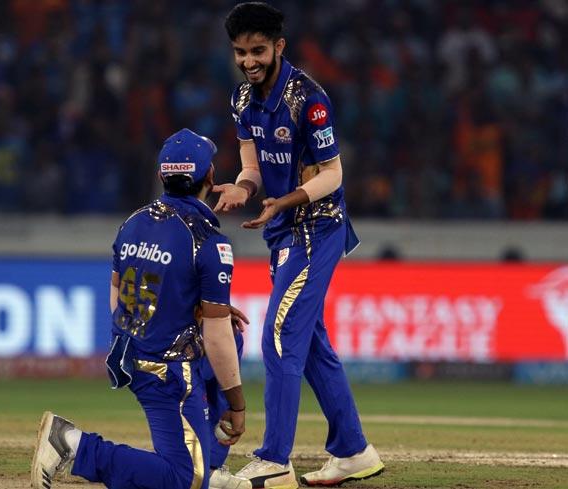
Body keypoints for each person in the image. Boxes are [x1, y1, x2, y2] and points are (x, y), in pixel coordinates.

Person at [213, 3, 384, 488]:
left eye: (258, 51)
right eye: (241, 52)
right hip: (283, 230)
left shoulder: (307, 99)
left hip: (317, 228)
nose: (249, 60)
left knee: (280, 338)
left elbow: (334, 174)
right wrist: (242, 190)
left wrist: (281, 201)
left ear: (279, 47)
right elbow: (252, 168)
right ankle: (352, 452)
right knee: (309, 345)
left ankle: (275, 459)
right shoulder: (242, 100)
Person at [31, 128, 250, 489]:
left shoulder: (134, 222)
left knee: (232, 334)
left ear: (163, 175)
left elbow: (118, 292)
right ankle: (72, 443)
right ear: (209, 176)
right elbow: (216, 336)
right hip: (166, 371)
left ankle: (208, 464)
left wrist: (194, 314)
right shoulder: (210, 243)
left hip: (130, 352)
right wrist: (237, 406)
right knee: (184, 480)